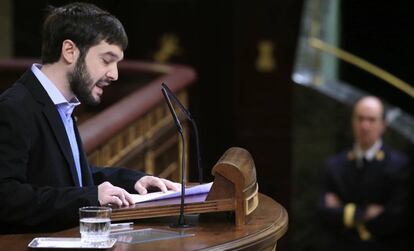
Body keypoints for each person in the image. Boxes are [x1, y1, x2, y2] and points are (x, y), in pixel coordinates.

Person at [0, 2, 180, 234]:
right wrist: (89, 197)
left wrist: (132, 181)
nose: (114, 74)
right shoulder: (14, 107)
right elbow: (6, 196)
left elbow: (68, 176)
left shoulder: (62, 104)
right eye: (106, 60)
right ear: (70, 51)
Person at [318, 96, 412, 251]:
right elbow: (323, 214)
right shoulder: (334, 165)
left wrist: (343, 213)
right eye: (360, 118)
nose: (365, 126)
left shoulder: (400, 165)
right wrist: (366, 212)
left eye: (371, 120)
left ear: (383, 125)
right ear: (352, 122)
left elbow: (395, 219)